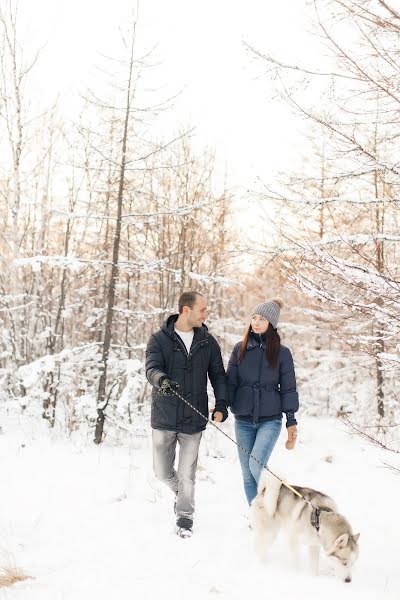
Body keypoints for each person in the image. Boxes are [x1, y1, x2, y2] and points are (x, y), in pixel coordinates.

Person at [145, 291, 228, 538]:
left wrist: (222, 403)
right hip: (164, 415)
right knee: (161, 472)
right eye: (202, 309)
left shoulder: (207, 342)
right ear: (186, 310)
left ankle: (185, 518)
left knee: (187, 475)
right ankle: (181, 494)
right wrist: (162, 380)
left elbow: (218, 375)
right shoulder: (159, 339)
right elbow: (151, 367)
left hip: (194, 419)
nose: (206, 314)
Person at [226, 298, 299, 506]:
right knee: (247, 473)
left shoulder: (282, 353)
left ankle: (276, 505)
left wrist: (291, 420)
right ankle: (256, 516)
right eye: (254, 317)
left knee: (256, 465)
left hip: (270, 420)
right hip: (243, 420)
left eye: (262, 319)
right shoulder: (239, 349)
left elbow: (288, 388)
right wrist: (222, 404)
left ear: (271, 324)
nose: (256, 322)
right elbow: (230, 382)